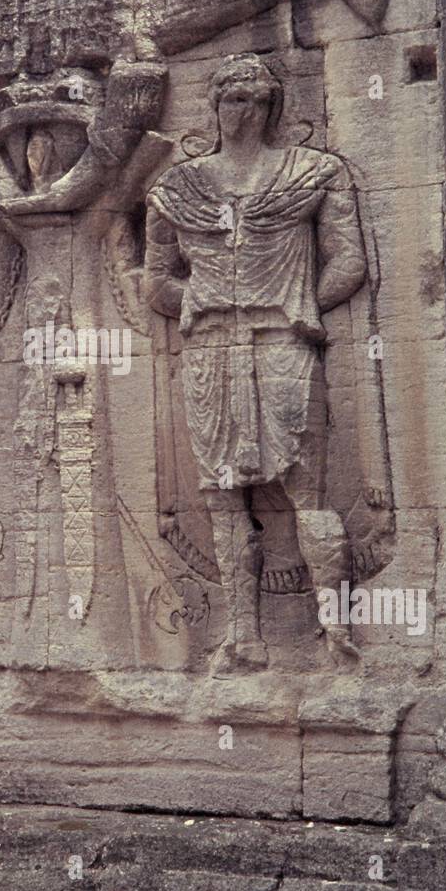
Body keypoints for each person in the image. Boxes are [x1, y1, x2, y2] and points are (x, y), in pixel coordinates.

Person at [145, 55, 366, 670]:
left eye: (258, 100)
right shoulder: (176, 188)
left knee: (307, 494)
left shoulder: (314, 172)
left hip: (282, 341)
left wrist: (298, 305)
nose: (245, 111)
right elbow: (157, 283)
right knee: (222, 496)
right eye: (233, 99)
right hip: (210, 346)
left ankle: (337, 635)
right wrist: (196, 300)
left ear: (274, 108)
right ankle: (243, 637)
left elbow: (348, 262)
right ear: (213, 107)